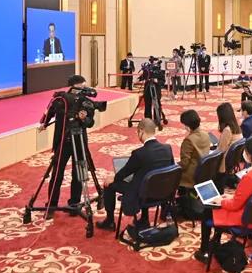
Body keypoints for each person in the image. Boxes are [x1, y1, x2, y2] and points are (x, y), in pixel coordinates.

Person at [194, 136, 252, 263]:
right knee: (218, 204)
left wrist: (221, 201)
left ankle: (204, 250)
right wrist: (230, 197)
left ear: (249, 155)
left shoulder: (250, 177)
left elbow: (234, 205)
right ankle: (215, 242)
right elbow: (249, 196)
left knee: (208, 211)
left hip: (245, 219)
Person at [96, 118, 174, 231]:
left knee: (108, 184)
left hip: (143, 193)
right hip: (162, 192)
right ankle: (144, 218)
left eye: (137, 133)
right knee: (145, 176)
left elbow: (124, 173)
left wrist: (113, 178)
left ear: (141, 131)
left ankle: (109, 221)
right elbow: (171, 169)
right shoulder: (167, 148)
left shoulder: (139, 153)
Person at [37, 75, 94, 218]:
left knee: (78, 173)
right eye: (82, 86)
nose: (85, 88)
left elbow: (90, 122)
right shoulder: (60, 99)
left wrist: (84, 119)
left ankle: (74, 204)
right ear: (75, 86)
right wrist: (44, 123)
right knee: (57, 173)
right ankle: (52, 204)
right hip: (62, 140)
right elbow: (49, 112)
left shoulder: (85, 101)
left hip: (79, 140)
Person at [178, 110, 211, 188]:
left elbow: (184, 163)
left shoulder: (188, 140)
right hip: (204, 171)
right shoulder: (206, 134)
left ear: (188, 126)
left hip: (191, 175)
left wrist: (175, 166)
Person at [215, 102, 242, 174]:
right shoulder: (236, 126)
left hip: (224, 164)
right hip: (233, 161)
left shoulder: (227, 130)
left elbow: (221, 150)